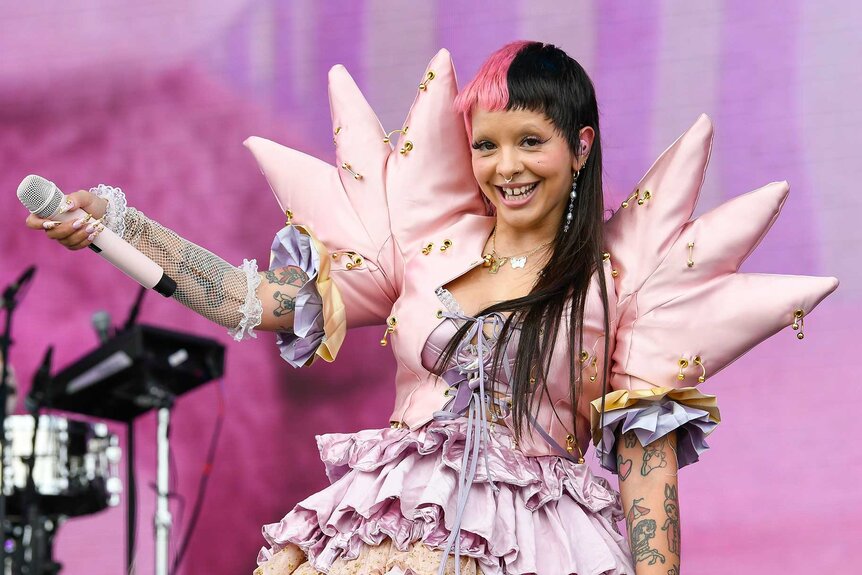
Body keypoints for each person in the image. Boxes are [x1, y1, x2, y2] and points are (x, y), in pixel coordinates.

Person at [25, 41, 837, 575]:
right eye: (486, 144)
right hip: (384, 523)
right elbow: (248, 299)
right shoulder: (420, 246)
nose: (505, 166)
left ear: (580, 146)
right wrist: (117, 228)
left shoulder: (620, 281)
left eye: (531, 141)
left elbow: (647, 473)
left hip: (537, 541)